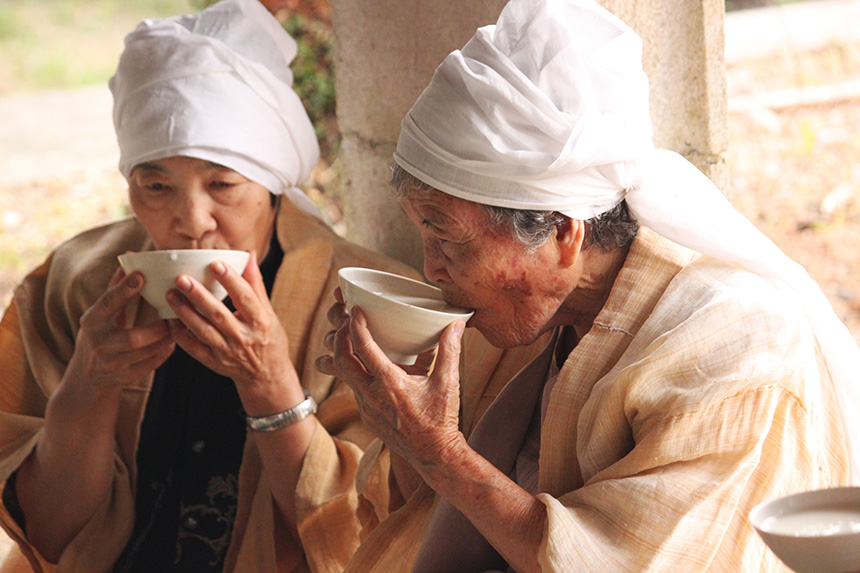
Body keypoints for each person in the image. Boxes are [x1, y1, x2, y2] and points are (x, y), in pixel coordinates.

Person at [318, 0, 860, 570]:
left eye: (448, 239)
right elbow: (434, 519)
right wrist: (406, 417)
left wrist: (441, 452)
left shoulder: (736, 346)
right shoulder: (536, 328)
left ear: (564, 233)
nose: (431, 269)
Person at [0, 0, 424, 570]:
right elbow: (47, 534)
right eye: (155, 187)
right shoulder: (73, 284)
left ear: (272, 184)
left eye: (222, 183)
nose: (191, 219)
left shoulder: (366, 306)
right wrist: (88, 386)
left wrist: (270, 383)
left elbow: (361, 545)